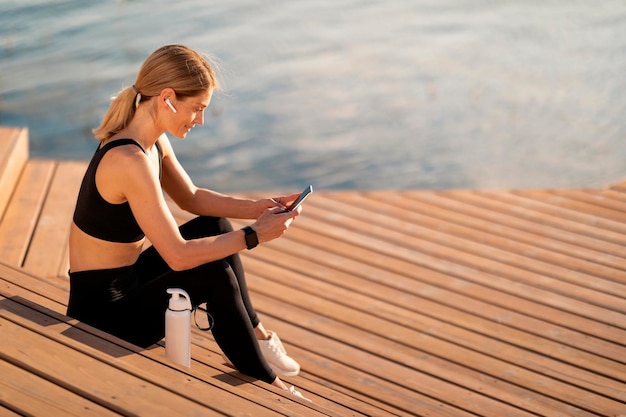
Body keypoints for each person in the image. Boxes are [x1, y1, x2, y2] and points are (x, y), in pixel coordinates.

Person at [67, 44, 309, 400]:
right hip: (102, 315)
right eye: (196, 108)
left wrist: (258, 208)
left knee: (214, 225)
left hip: (127, 281)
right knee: (213, 274)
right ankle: (272, 384)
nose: (200, 120)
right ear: (167, 98)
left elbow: (191, 198)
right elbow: (178, 256)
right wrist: (255, 236)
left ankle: (257, 336)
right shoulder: (129, 159)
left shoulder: (150, 141)